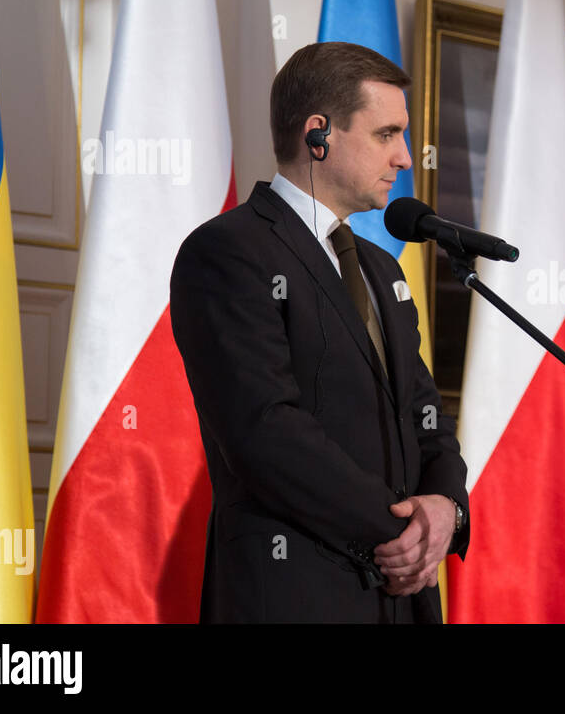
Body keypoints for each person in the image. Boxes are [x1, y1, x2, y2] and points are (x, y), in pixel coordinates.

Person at [170, 42, 469, 623]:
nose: (405, 158)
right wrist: (400, 533)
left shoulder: (382, 270)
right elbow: (265, 431)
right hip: (294, 591)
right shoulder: (229, 252)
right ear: (318, 135)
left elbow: (426, 415)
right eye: (386, 134)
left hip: (402, 598)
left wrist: (446, 507)